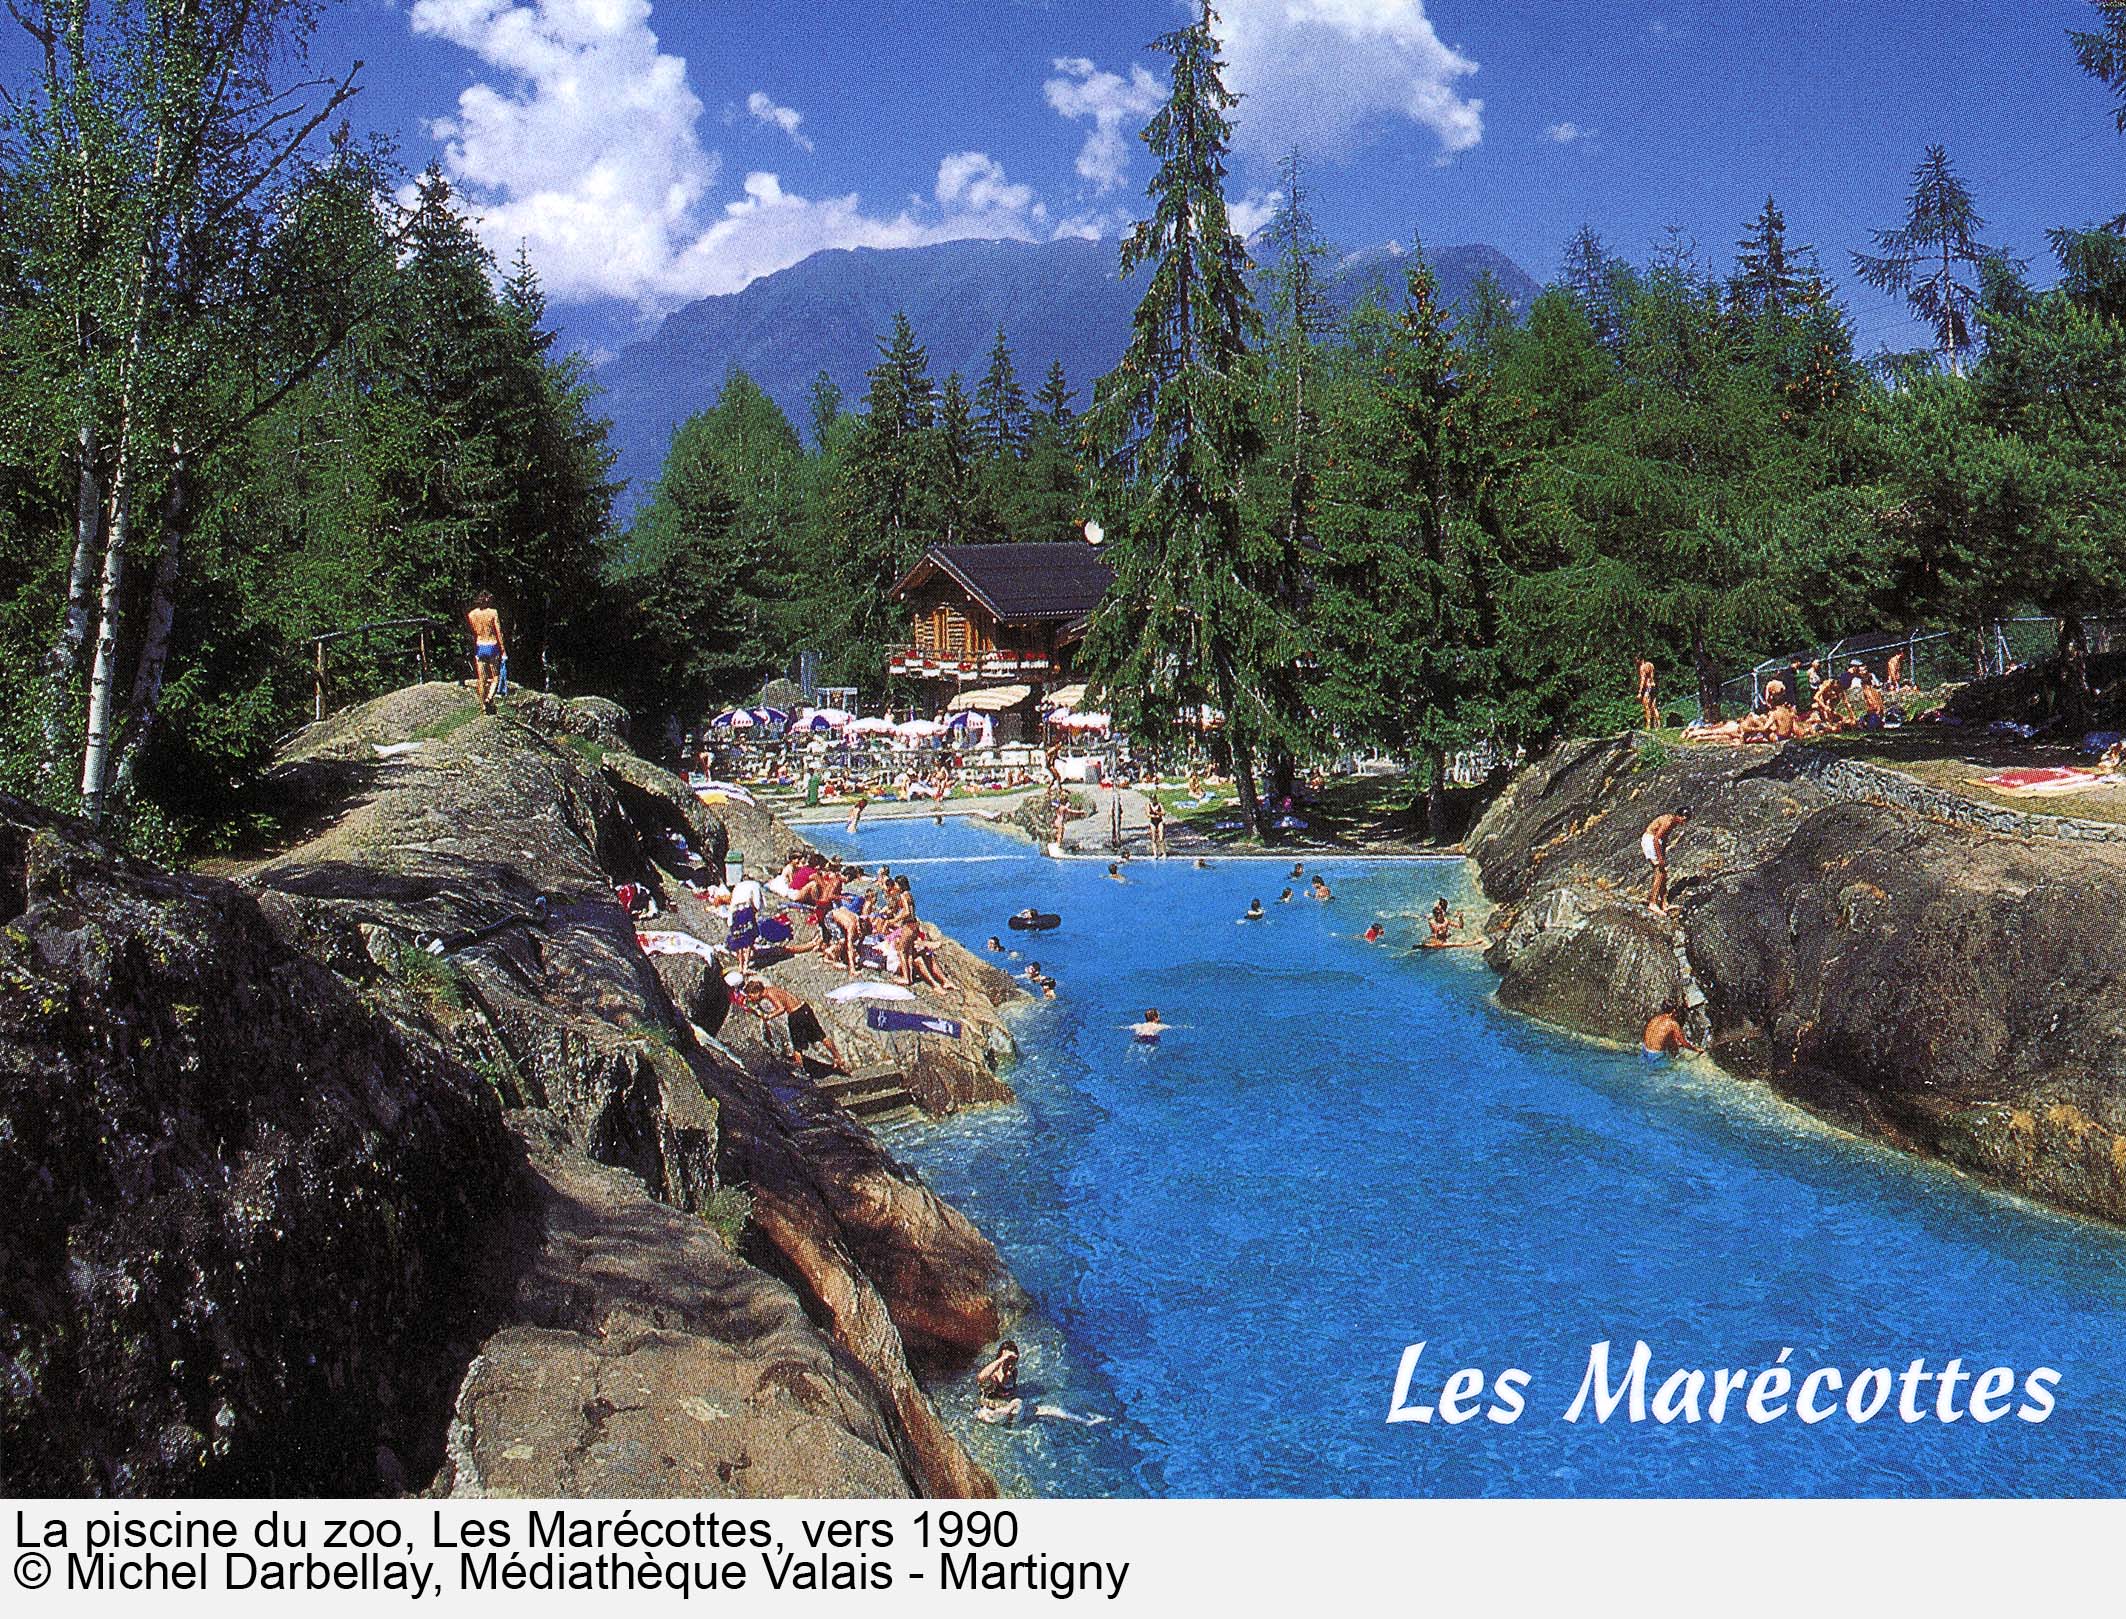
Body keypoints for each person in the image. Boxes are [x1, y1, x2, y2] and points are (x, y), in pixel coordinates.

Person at [730, 972, 847, 1074]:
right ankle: (838, 1058)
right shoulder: (771, 989)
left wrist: (769, 1016)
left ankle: (801, 1070)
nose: (751, 999)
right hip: (804, 1008)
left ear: (757, 992)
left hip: (796, 1014)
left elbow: (781, 1008)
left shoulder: (769, 994)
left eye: (751, 996)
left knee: (797, 1047)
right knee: (821, 1036)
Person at [1643, 808, 1692, 914]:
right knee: (1660, 872)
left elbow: (1664, 839)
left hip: (1656, 841)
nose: (1684, 822)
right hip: (1650, 840)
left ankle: (1664, 904)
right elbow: (1656, 839)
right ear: (1679, 816)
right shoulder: (1668, 821)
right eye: (1684, 819)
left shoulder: (1673, 822)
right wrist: (1660, 858)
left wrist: (1663, 854)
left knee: (1663, 874)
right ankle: (1653, 903)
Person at [467, 592, 506, 715]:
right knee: (495, 677)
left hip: (480, 646)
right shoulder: (493, 613)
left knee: (481, 679)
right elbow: (498, 632)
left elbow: (473, 632)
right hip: (492, 645)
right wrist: (503, 650)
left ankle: (483, 706)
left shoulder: (472, 614)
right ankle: (489, 698)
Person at [975, 1341, 1023, 1426]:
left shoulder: (1014, 1372)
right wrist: (1003, 1358)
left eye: (1013, 1361)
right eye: (1007, 1361)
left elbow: (1013, 1391)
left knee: (1019, 1403)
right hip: (990, 1411)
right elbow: (980, 1378)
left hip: (1004, 1409)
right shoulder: (993, 1374)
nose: (1010, 1365)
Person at [726, 869, 766, 970]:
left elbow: (732, 903)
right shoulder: (754, 884)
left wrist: (729, 921)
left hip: (735, 912)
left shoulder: (737, 886)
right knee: (749, 937)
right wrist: (756, 911)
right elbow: (757, 902)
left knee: (738, 938)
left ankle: (740, 964)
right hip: (746, 910)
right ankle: (746, 965)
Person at [1637, 657, 1660, 731]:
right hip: (1653, 686)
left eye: (1637, 659)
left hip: (1648, 688)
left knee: (1646, 706)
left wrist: (1640, 692)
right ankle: (1658, 725)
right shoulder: (1650, 665)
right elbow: (1652, 676)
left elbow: (1643, 680)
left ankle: (1648, 725)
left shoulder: (1642, 667)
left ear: (1641, 659)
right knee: (1654, 706)